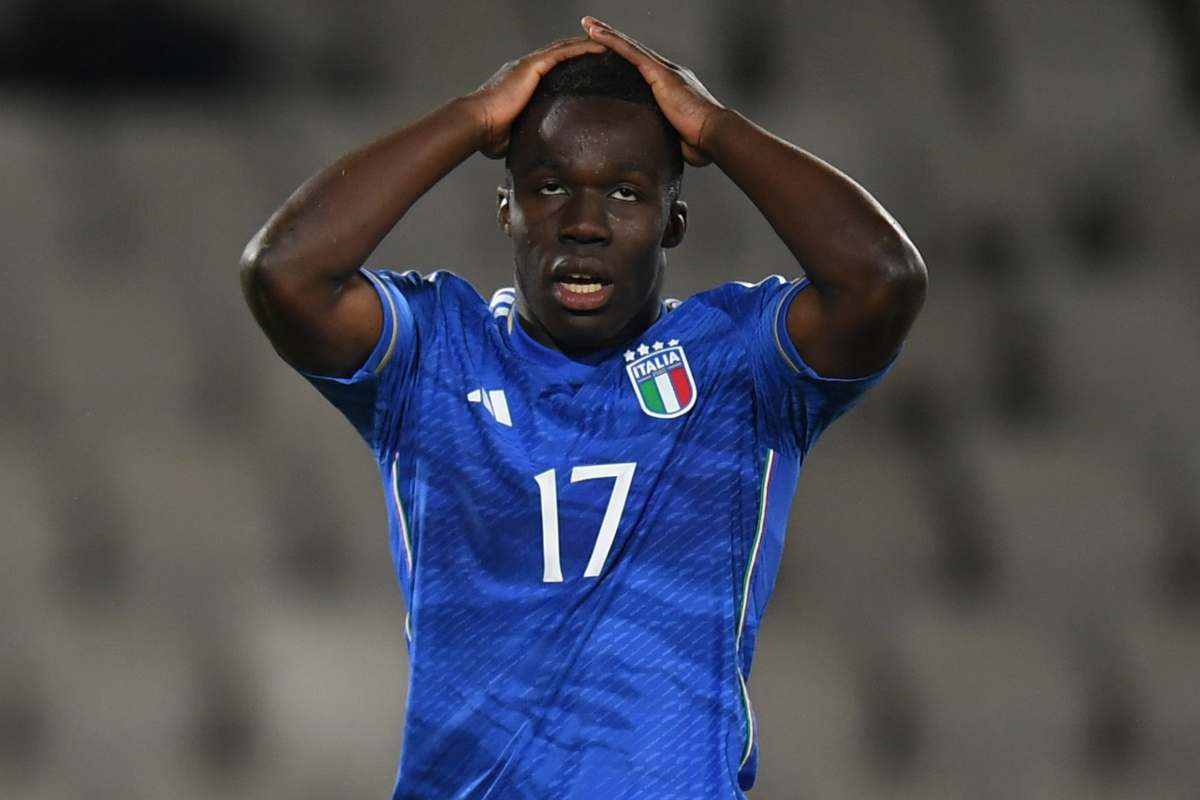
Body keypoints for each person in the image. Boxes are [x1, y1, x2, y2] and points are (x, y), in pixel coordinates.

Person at [240, 16, 925, 800]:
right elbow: (284, 273)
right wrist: (473, 117)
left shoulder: (736, 367)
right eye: (549, 187)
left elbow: (881, 279)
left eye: (626, 193)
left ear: (673, 222)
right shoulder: (435, 355)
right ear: (507, 210)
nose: (584, 224)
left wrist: (715, 127)